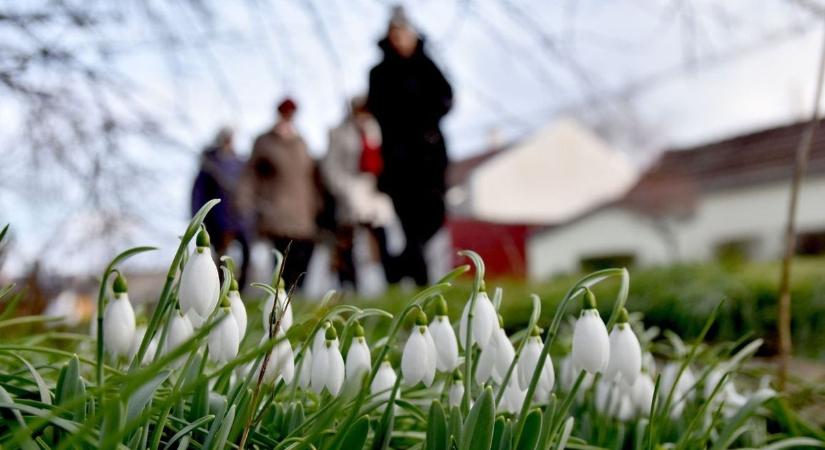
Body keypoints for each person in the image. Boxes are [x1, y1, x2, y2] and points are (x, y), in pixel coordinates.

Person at [367, 6, 453, 286]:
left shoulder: (427, 66)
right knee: (409, 225)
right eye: (396, 34)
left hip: (430, 161)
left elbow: (446, 98)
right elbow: (378, 111)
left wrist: (427, 124)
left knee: (432, 219)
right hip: (399, 163)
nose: (401, 40)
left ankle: (400, 268)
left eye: (405, 33)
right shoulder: (380, 73)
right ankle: (421, 283)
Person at [238, 98, 319, 289]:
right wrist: (244, 200)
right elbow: (250, 174)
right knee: (281, 259)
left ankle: (295, 297)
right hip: (275, 210)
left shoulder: (301, 142)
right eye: (285, 111)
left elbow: (310, 176)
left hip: (302, 211)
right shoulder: (265, 141)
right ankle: (279, 300)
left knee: (301, 257)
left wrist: (316, 204)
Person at [321, 97, 397, 291]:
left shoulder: (375, 130)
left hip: (371, 189)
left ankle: (387, 280)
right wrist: (344, 188)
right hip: (349, 190)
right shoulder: (339, 133)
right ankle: (350, 283)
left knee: (380, 233)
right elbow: (330, 167)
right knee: (349, 238)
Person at [191, 127, 251, 287]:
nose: (228, 141)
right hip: (218, 218)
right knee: (221, 254)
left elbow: (247, 188)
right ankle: (218, 286)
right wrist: (197, 218)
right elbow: (199, 193)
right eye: (226, 138)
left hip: (239, 217)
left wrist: (248, 209)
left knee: (246, 252)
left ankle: (240, 287)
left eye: (230, 138)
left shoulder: (240, 162)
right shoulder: (209, 164)